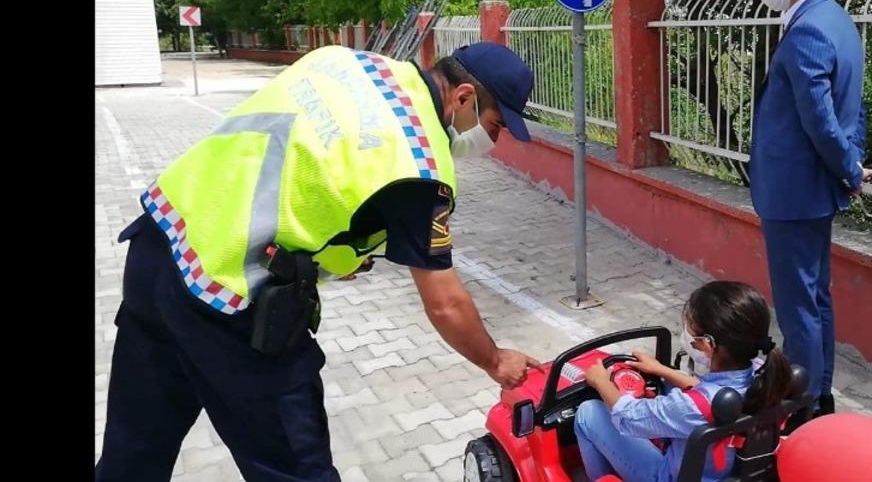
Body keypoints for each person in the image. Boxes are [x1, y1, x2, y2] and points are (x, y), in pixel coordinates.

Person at [96, 42, 541, 481]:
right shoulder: (418, 165)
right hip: (225, 298)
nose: (494, 141)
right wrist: (494, 359)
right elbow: (446, 303)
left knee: (134, 450)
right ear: (463, 97)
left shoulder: (351, 63)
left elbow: (307, 160)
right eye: (495, 125)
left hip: (160, 242)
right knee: (298, 466)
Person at [748, 0, 872, 420]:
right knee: (816, 297)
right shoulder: (838, 21)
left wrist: (850, 170)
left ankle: (803, 408)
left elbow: (821, 120)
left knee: (798, 305)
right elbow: (853, 110)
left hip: (793, 194)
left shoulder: (810, 30)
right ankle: (819, 391)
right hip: (812, 191)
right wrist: (852, 164)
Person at [575, 281, 792, 481]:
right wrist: (662, 370)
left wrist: (601, 381)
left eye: (691, 327)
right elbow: (709, 396)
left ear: (707, 344)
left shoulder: (689, 407)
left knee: (589, 413)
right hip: (730, 473)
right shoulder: (763, 373)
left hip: (670, 477)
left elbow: (629, 417)